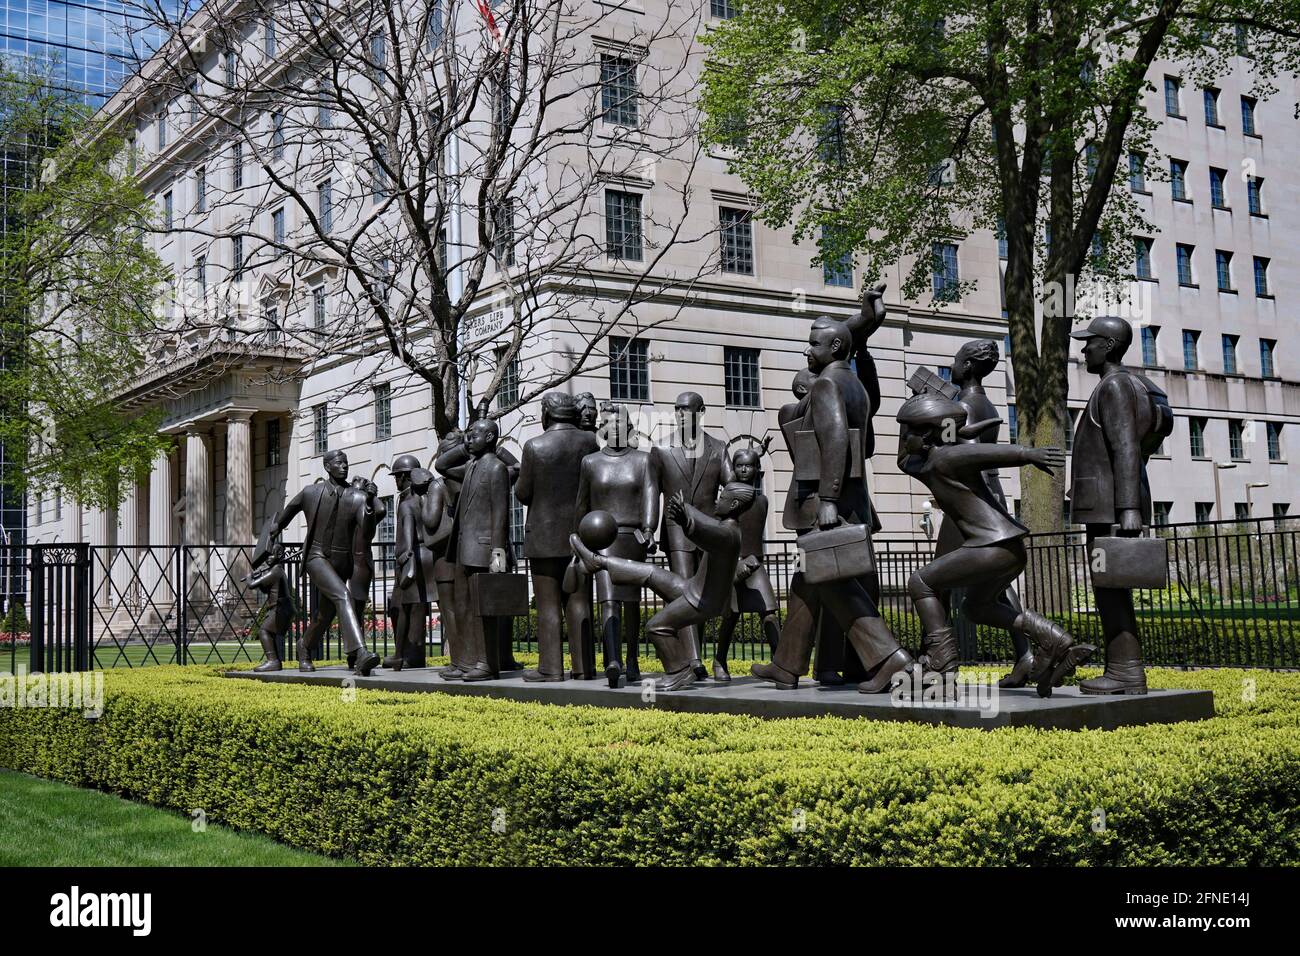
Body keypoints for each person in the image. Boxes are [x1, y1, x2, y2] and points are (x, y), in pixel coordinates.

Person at [752, 316, 916, 693]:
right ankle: (786, 665)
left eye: (814, 344)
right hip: (852, 499)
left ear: (835, 349)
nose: (807, 350)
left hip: (827, 502)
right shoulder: (855, 384)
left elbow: (836, 439)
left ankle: (890, 659)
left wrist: (827, 499)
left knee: (832, 582)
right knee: (807, 581)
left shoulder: (827, 383)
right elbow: (867, 445)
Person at [895, 392, 1082, 697]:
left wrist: (1028, 454)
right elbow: (903, 459)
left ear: (927, 433)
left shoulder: (946, 457)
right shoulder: (928, 464)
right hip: (1006, 549)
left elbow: (986, 453)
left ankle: (941, 664)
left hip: (992, 546)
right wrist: (913, 416)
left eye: (910, 431)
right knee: (977, 607)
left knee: (921, 582)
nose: (905, 438)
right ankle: (1053, 638)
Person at [571, 484, 756, 691]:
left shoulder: (727, 534)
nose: (716, 501)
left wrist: (686, 521)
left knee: (656, 627)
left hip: (701, 601)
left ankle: (679, 671)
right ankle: (597, 562)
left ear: (733, 504)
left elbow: (704, 534)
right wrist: (685, 507)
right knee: (650, 572)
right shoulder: (727, 527)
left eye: (721, 498)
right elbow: (707, 523)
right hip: (692, 588)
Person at [934, 339, 1036, 688]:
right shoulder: (983, 401)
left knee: (934, 583)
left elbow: (968, 455)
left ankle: (938, 662)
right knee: (997, 583)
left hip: (972, 500)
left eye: (956, 360)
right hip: (990, 493)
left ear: (968, 366)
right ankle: (1026, 654)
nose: (952, 366)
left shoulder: (964, 404)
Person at [1069, 316, 1161, 695]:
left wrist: (1128, 509)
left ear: (1107, 346)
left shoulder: (1116, 386)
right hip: (1104, 508)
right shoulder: (1116, 385)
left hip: (1110, 511)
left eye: (1089, 341)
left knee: (1110, 588)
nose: (1083, 348)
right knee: (1107, 588)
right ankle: (1123, 669)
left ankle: (1125, 671)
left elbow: (1127, 447)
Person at [643, 391, 734, 680]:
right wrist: (648, 527)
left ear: (701, 411)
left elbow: (733, 490)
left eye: (687, 409)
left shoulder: (718, 448)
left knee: (705, 597)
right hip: (676, 532)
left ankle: (699, 656)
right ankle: (694, 661)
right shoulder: (661, 449)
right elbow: (651, 491)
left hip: (709, 532)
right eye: (678, 409)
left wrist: (727, 523)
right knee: (685, 592)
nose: (682, 414)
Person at [268, 450, 381, 675]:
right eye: (339, 463)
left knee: (325, 615)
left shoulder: (356, 497)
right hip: (316, 557)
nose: (344, 467)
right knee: (343, 595)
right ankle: (360, 654)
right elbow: (286, 513)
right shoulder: (311, 492)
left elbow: (367, 533)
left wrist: (369, 503)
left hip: (342, 562)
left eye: (346, 463)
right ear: (327, 467)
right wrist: (274, 535)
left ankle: (305, 647)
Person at [514, 393, 600, 681]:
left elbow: (523, 493)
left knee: (548, 605)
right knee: (579, 601)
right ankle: (584, 667)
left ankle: (551, 668)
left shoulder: (535, 446)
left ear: (547, 414)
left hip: (543, 536)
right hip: (580, 533)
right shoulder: (589, 442)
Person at [574, 402, 651, 686]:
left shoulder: (643, 460)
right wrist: (577, 539)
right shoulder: (591, 462)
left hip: (633, 538)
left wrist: (649, 528)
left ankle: (632, 657)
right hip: (603, 539)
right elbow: (581, 504)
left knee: (631, 602)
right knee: (608, 599)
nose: (615, 428)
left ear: (629, 428)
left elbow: (650, 497)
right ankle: (612, 659)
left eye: (621, 423)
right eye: (609, 424)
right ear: (603, 430)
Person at [439, 417, 513, 681]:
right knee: (463, 608)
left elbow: (500, 516)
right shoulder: (472, 465)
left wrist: (498, 553)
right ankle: (465, 661)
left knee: (484, 611)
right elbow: (441, 465)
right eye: (468, 434)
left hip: (483, 551)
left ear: (490, 438)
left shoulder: (496, 469)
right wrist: (463, 446)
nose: (470, 438)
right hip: (463, 549)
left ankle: (487, 663)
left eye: (475, 434)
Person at [712, 445, 779, 681]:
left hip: (755, 564)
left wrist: (758, 453)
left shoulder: (763, 501)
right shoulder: (727, 501)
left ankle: (780, 662)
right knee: (730, 616)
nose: (743, 469)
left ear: (756, 469)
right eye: (738, 465)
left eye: (749, 465)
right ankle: (719, 660)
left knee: (769, 613)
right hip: (732, 565)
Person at [387, 465, 446, 670]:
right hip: (431, 556)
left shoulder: (407, 504)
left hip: (416, 557)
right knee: (444, 607)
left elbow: (408, 532)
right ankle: (460, 657)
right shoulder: (426, 499)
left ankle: (398, 655)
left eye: (398, 477)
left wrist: (404, 555)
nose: (396, 480)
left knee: (404, 607)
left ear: (405, 477)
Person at [245, 540, 295, 673]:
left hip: (281, 607)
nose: (268, 558)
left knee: (264, 631)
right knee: (270, 633)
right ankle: (275, 661)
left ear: (278, 555)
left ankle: (272, 661)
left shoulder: (275, 572)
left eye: (270, 555)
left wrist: (250, 577)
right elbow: (267, 590)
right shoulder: (275, 571)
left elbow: (251, 585)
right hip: (280, 607)